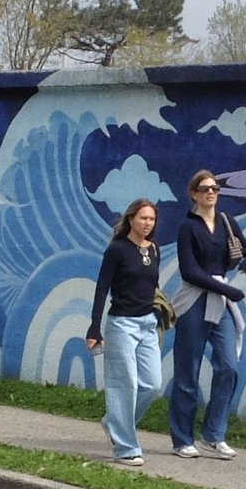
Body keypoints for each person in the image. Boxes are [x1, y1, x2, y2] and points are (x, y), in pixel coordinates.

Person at [169, 169, 246, 459]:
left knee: (229, 366)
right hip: (194, 299)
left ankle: (213, 434)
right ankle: (182, 439)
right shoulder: (187, 227)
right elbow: (189, 271)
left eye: (215, 188)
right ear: (193, 193)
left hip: (221, 299)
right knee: (188, 371)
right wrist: (229, 291)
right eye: (205, 188)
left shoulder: (226, 221)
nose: (211, 192)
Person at [86, 198, 166, 466]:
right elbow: (101, 288)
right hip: (122, 324)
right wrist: (95, 326)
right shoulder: (117, 250)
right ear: (131, 219)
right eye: (143, 218)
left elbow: (152, 287)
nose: (148, 223)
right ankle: (125, 448)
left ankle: (114, 422)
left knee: (152, 384)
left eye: (152, 219)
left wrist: (158, 318)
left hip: (147, 324)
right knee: (125, 385)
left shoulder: (154, 249)